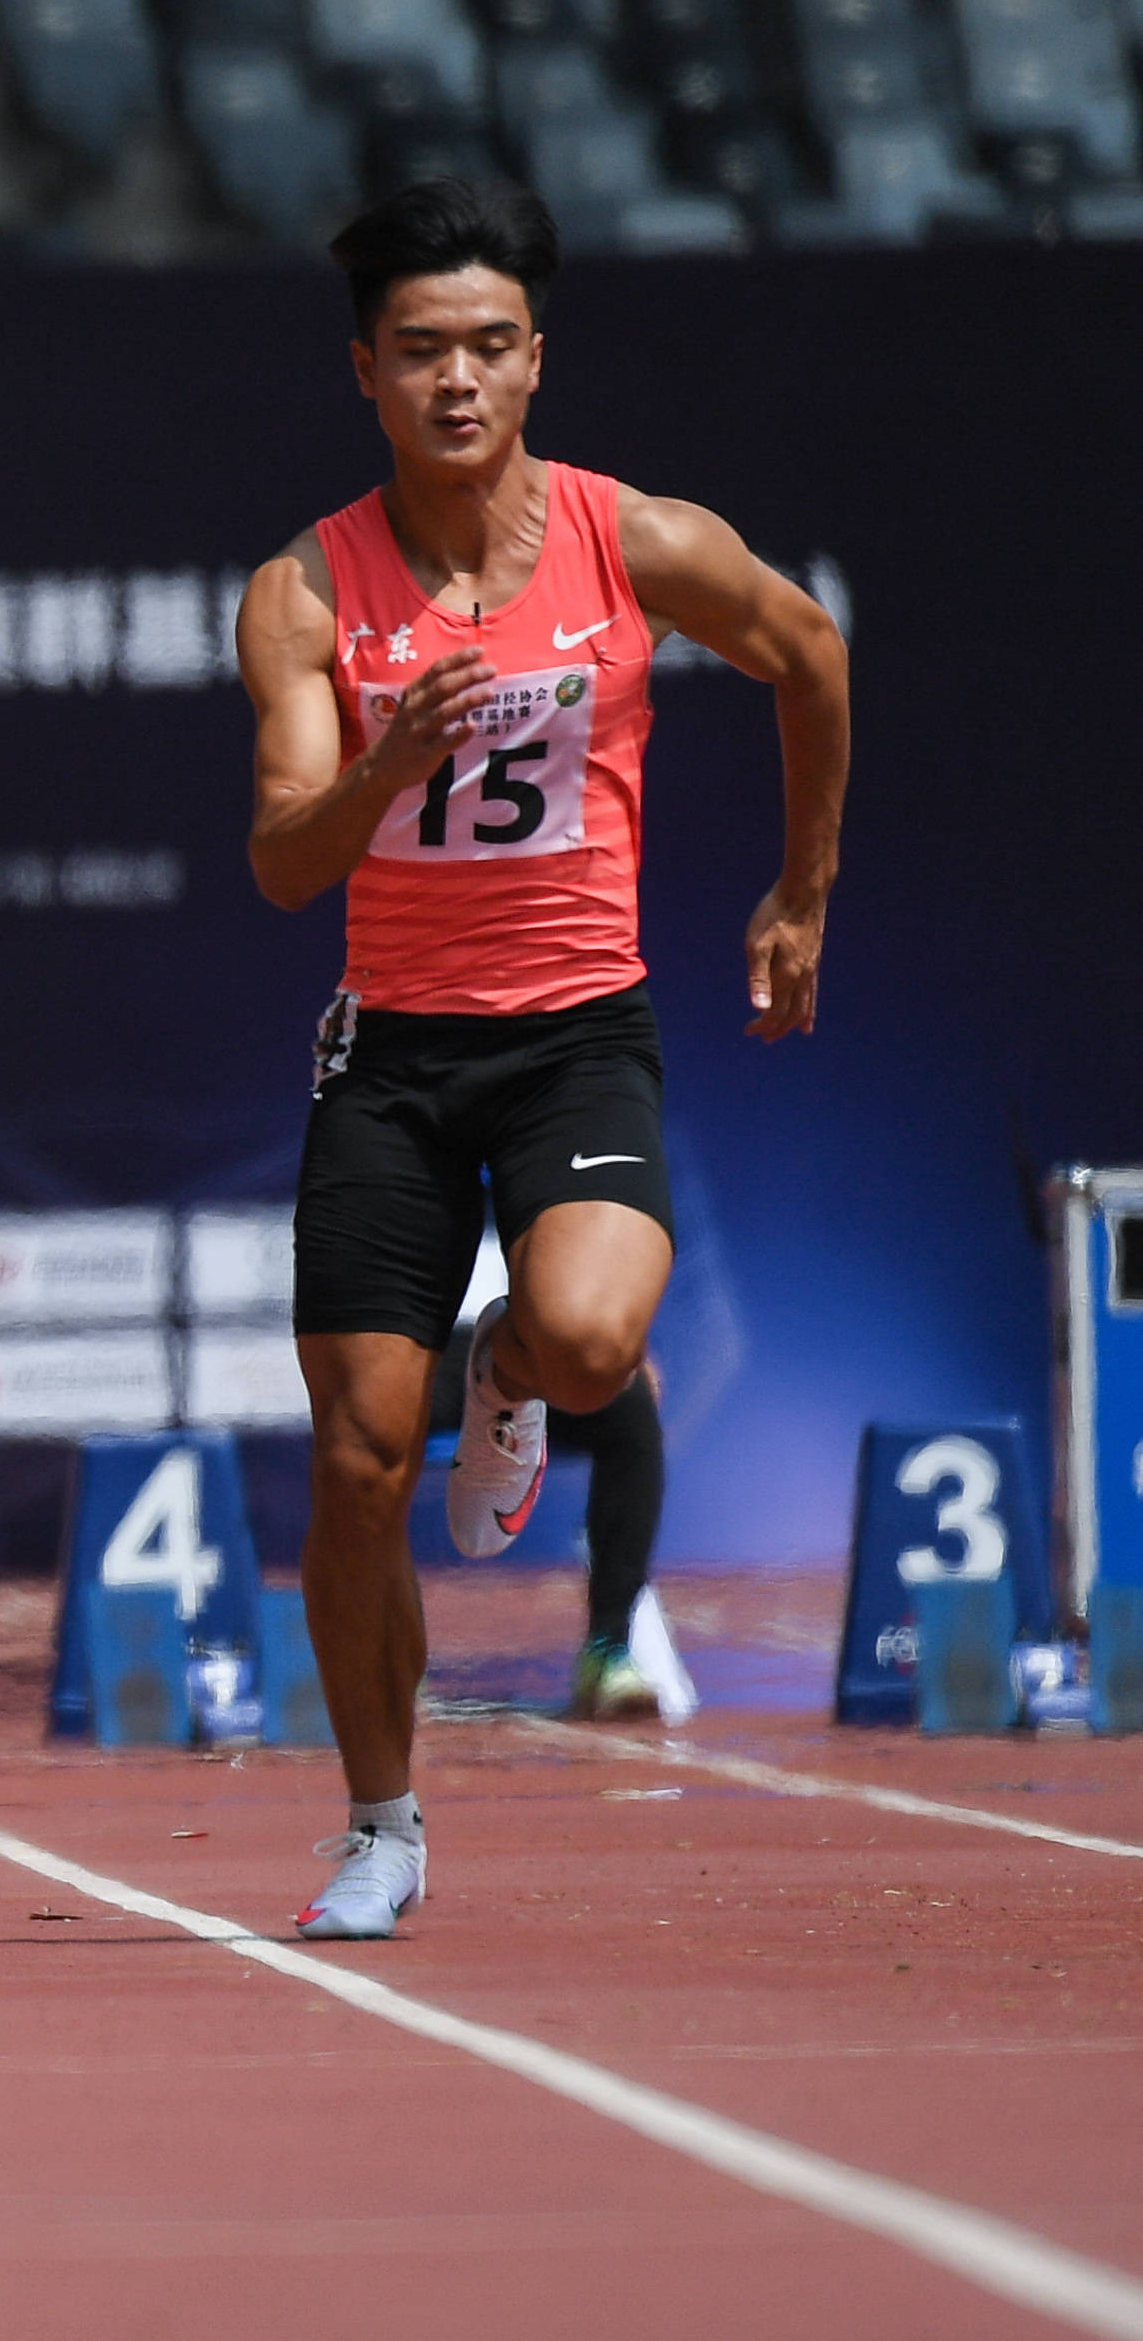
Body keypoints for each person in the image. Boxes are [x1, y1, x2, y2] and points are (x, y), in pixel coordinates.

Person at [239, 180, 847, 1940]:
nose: (458, 382)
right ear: (366, 370)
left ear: (535, 359)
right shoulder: (303, 592)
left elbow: (808, 652)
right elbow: (286, 859)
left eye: (491, 347)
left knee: (591, 1339)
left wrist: (799, 894)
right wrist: (384, 754)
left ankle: (498, 1360)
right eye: (421, 350)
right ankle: (379, 1817)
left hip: (578, 1029)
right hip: (395, 1062)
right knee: (356, 1455)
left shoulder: (628, 541)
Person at [423, 1312, 670, 1719]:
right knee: (372, 1427)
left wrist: (628, 1348)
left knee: (630, 1408)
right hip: (431, 1348)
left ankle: (607, 1650)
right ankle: (382, 1657)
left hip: (533, 1346)